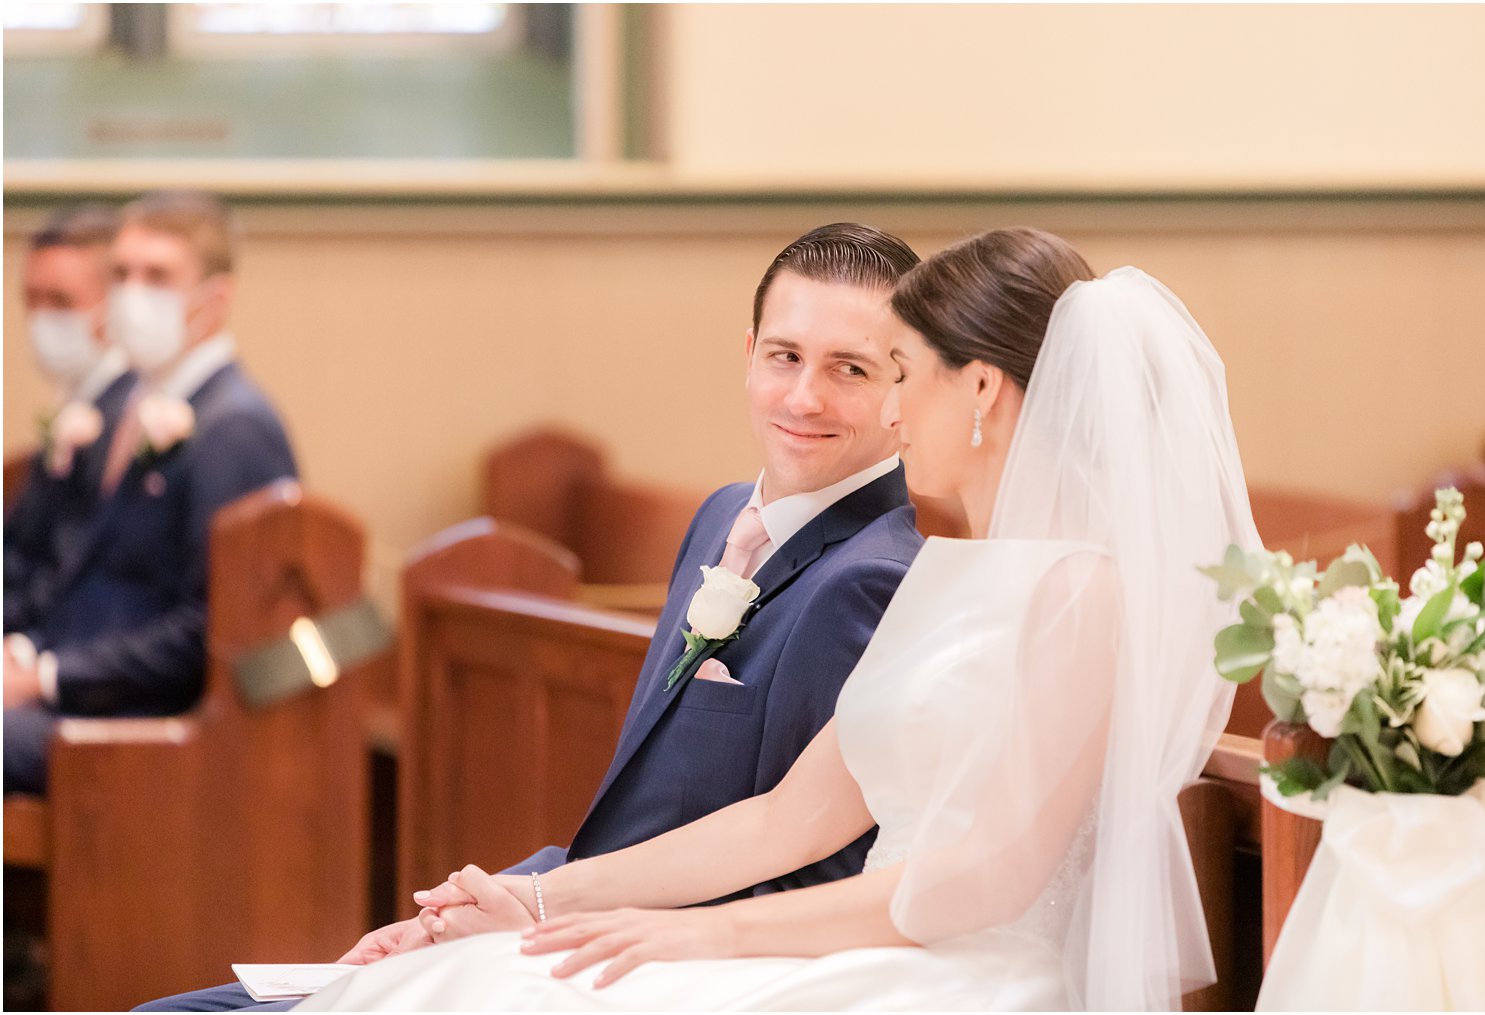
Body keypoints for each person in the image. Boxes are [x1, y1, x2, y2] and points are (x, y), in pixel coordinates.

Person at [298, 227, 1261, 1011]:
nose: (893, 416)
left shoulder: (1084, 592)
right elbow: (787, 819)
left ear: (978, 389)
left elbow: (987, 879)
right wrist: (532, 900)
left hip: (962, 971)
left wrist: (703, 935)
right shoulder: (954, 571)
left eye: (903, 374)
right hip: (861, 945)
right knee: (487, 971)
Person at [137, 222, 925, 1011]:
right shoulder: (723, 514)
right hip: (571, 913)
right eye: (784, 356)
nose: (802, 396)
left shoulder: (869, 577)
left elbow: (799, 864)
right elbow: (639, 826)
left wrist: (535, 915)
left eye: (848, 369)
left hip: (661, 968)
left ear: (905, 388)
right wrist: (481, 903)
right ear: (748, 350)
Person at [3, 190, 298, 796]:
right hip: (81, 690)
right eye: (121, 273)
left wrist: (48, 676)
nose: (131, 293)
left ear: (213, 299)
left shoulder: (233, 427)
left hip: (142, 717)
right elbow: (82, 568)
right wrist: (24, 650)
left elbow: (212, 627)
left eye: (157, 275)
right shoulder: (141, 409)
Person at [5, 205, 136, 635]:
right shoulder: (74, 407)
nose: (42, 320)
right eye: (32, 301)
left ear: (115, 304)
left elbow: (69, 573)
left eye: (60, 302)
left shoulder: (125, 420)